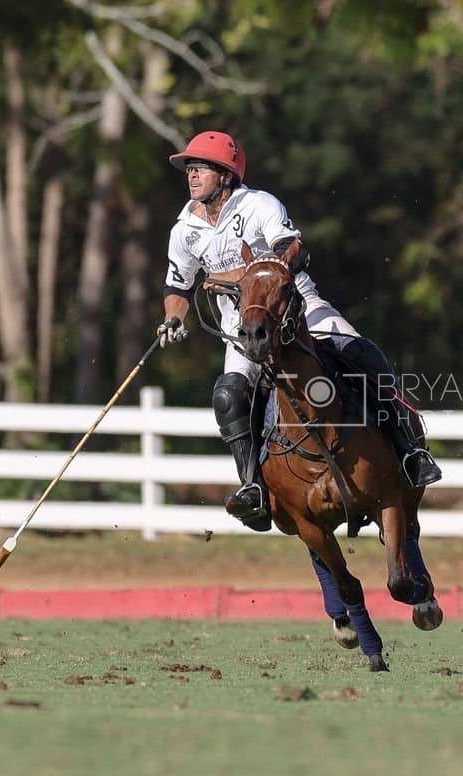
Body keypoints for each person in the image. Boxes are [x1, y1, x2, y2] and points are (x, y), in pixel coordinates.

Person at [157, 130, 441, 532]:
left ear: (225, 174)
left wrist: (239, 274)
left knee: (363, 354)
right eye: (190, 168)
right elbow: (178, 286)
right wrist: (173, 317)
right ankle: (252, 488)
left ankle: (410, 451)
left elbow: (294, 250)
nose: (192, 174)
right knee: (228, 395)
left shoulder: (258, 205)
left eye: (200, 167)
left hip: (296, 311)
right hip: (244, 331)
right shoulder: (183, 229)